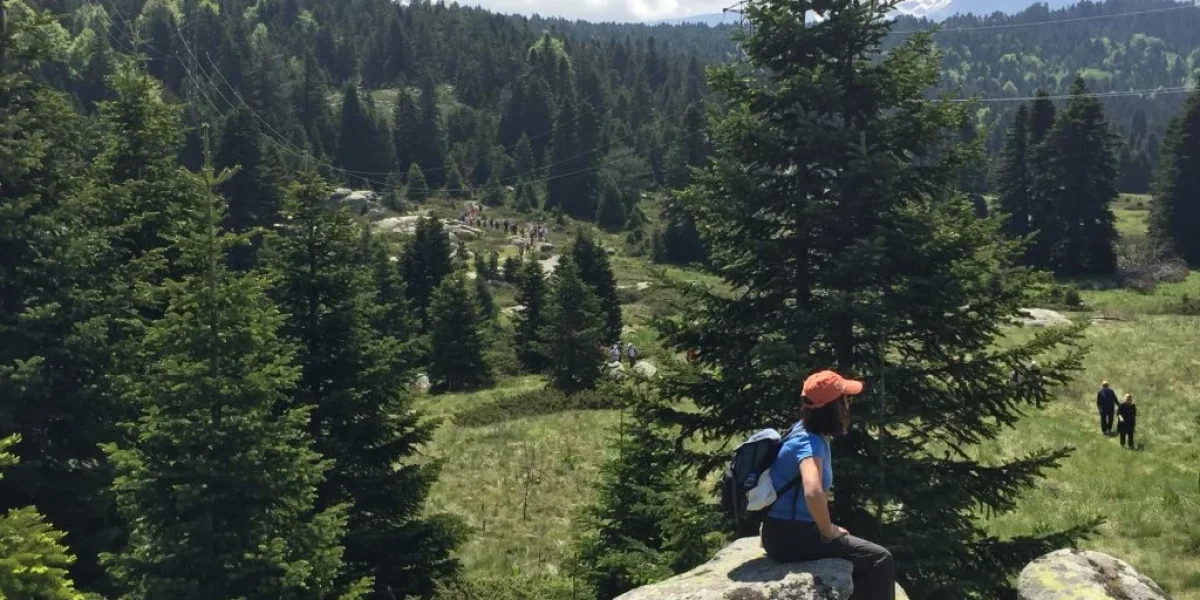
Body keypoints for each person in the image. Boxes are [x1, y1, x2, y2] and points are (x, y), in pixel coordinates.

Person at [761, 370, 894, 600]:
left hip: (780, 532)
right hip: (793, 537)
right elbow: (813, 491)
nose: (849, 405)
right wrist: (828, 531)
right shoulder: (809, 443)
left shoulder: (801, 429)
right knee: (880, 559)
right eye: (846, 399)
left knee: (862, 561)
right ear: (833, 407)